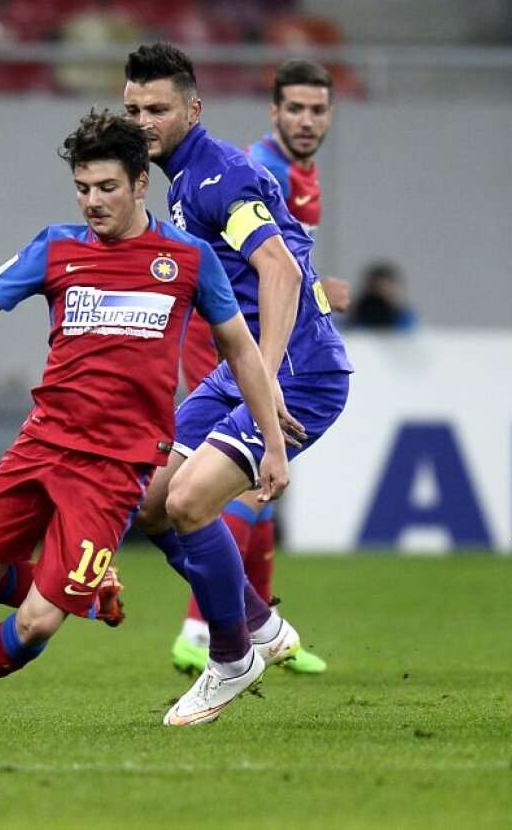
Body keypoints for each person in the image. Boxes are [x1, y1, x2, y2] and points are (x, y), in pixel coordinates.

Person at [0, 110, 290, 733]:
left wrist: (272, 443)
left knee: (36, 622)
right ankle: (87, 588)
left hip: (113, 471)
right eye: (83, 188)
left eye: (107, 187)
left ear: (141, 183)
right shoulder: (56, 248)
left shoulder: (187, 259)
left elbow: (242, 351)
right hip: (41, 445)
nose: (93, 202)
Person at [122, 42, 353, 724]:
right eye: (133, 109)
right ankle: (257, 622)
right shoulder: (181, 179)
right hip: (242, 369)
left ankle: (229, 658)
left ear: (192, 110)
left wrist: (268, 376)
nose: (143, 123)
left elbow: (279, 268)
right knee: (150, 501)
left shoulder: (217, 175)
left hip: (299, 374)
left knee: (191, 501)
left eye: (158, 109)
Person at [170, 58, 339, 677]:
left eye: (317, 109)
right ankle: (202, 628)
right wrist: (262, 372)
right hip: (229, 345)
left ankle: (261, 627)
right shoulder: (256, 167)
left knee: (254, 491)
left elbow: (282, 265)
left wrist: (319, 291)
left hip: (265, 342)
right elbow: (272, 268)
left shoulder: (303, 175)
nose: (306, 120)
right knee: (222, 485)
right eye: (295, 108)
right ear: (274, 113)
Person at [345, 261, 419, 331]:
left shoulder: (405, 319)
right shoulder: (356, 316)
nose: (378, 302)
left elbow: (411, 333)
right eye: (374, 293)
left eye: (385, 293)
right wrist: (352, 316)